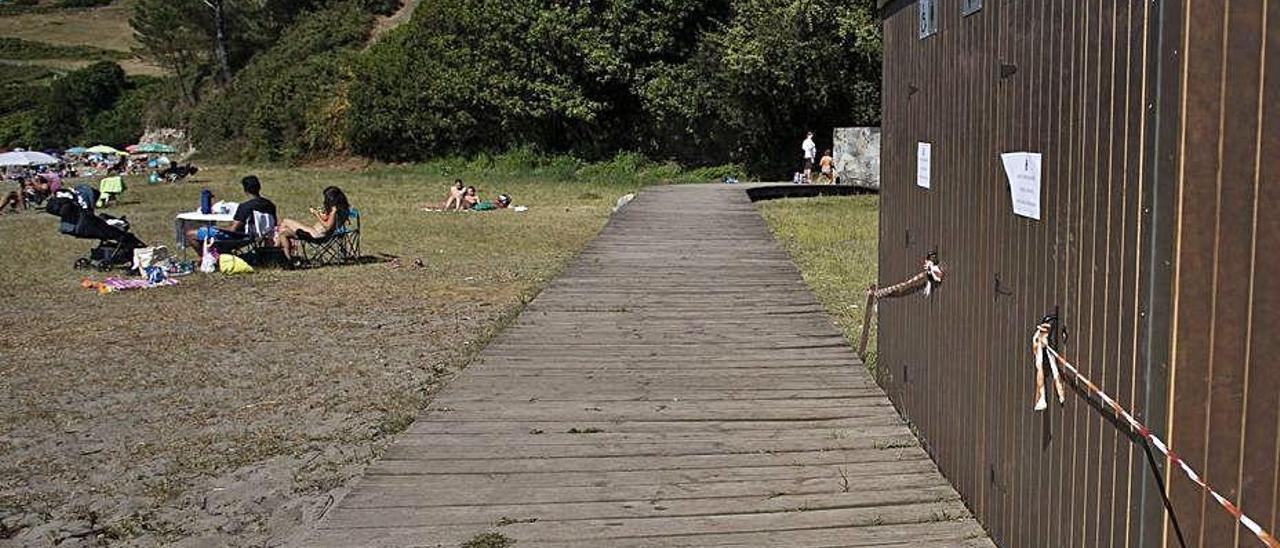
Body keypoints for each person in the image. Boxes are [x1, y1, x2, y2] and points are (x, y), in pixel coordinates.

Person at [185, 175, 278, 252]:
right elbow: (274, 224)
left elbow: (233, 230)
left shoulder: (246, 207)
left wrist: (217, 228)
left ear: (245, 190)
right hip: (259, 236)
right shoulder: (270, 205)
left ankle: (205, 258)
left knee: (190, 234)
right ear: (259, 187)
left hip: (241, 238)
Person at [275, 186, 350, 263]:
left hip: (316, 235)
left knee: (285, 221)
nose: (324, 201)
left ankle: (275, 253)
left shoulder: (334, 211)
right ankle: (286, 258)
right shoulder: (342, 210)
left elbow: (327, 227)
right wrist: (322, 214)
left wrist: (316, 214)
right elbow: (331, 222)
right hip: (318, 234)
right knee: (283, 233)